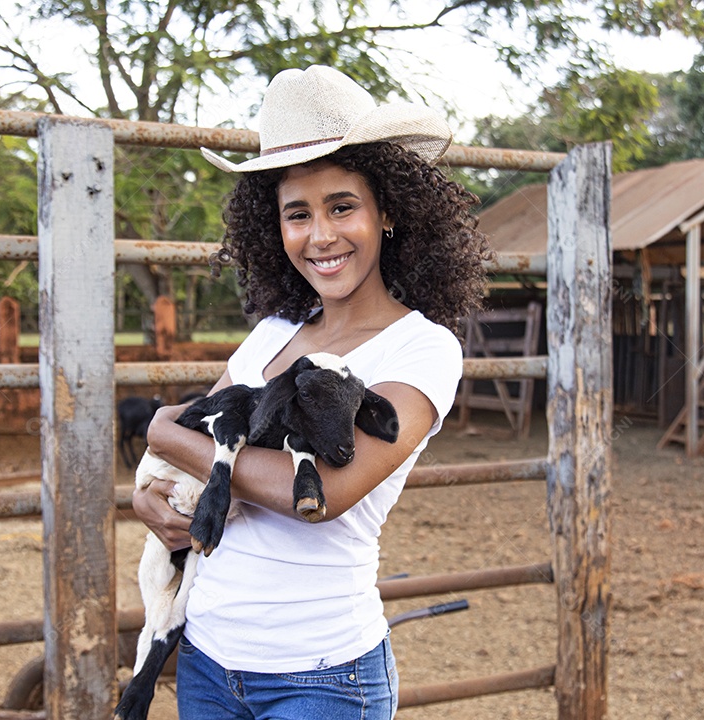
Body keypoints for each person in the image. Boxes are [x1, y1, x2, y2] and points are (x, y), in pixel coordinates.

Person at [132, 64, 490, 719]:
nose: (320, 235)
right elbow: (179, 460)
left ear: (387, 214)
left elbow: (318, 492)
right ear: (275, 228)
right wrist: (145, 497)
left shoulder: (423, 348)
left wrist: (160, 432)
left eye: (342, 206)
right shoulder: (272, 334)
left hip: (320, 678)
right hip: (208, 659)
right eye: (298, 214)